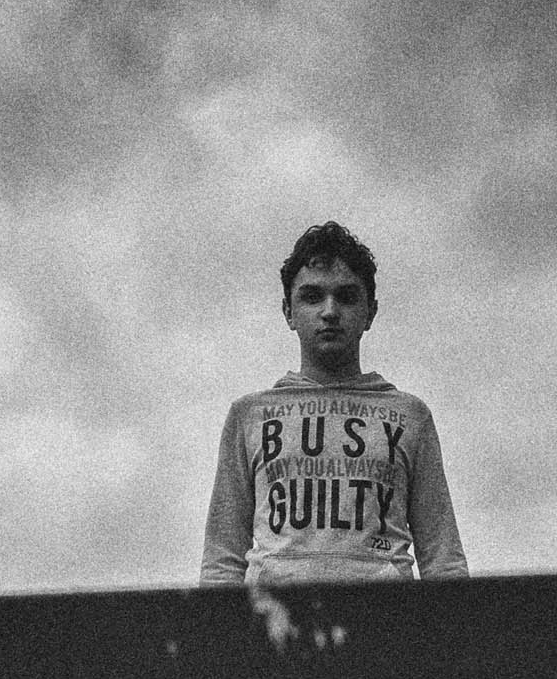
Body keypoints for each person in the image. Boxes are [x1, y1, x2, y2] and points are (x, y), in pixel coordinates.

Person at [199, 222, 469, 584]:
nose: (329, 311)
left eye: (346, 297)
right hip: (275, 614)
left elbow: (443, 559)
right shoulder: (250, 416)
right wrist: (221, 621)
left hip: (386, 615)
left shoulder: (408, 416)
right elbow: (222, 563)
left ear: (370, 312)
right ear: (288, 311)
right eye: (312, 297)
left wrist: (453, 619)